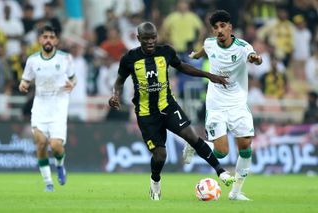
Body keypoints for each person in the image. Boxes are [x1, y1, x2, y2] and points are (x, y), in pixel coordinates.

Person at [108, 22, 235, 201]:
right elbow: (119, 81)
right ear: (139, 39)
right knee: (160, 156)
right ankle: (155, 181)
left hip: (168, 106)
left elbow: (183, 66)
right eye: (146, 39)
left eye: (153, 38)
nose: (150, 42)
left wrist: (209, 75)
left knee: (192, 137)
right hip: (146, 114)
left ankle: (221, 172)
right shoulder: (130, 58)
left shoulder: (166, 52)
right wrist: (115, 95)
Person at [184, 10, 262, 201]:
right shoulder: (210, 43)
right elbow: (204, 50)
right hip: (216, 104)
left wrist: (256, 59)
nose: (219, 30)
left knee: (245, 145)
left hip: (238, 104)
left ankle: (235, 193)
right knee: (222, 152)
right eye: (215, 27)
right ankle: (194, 144)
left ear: (230, 27)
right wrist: (195, 55)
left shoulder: (243, 47)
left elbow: (253, 56)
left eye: (222, 26)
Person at [19, 25, 77, 192]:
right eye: (45, 37)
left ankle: (59, 165)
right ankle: (48, 183)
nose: (48, 40)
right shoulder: (32, 60)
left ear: (56, 40)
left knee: (56, 146)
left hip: (58, 107)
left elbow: (74, 79)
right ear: (40, 40)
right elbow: (25, 81)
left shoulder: (65, 59)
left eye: (51, 37)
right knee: (41, 144)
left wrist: (72, 85)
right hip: (40, 107)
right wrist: (23, 85)